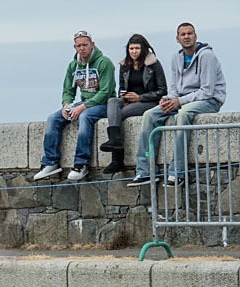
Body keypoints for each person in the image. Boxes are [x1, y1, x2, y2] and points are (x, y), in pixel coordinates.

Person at [128, 22, 226, 187]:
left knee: (182, 114)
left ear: (195, 36)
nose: (187, 37)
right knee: (150, 115)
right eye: (183, 34)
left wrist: (178, 101)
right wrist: (167, 99)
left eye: (190, 33)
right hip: (182, 100)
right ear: (177, 38)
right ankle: (145, 171)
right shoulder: (176, 58)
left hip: (209, 101)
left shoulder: (207, 56)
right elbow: (174, 89)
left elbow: (207, 91)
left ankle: (177, 172)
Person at [34, 30, 116, 182]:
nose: (82, 48)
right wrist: (66, 104)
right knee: (53, 118)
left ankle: (81, 164)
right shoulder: (73, 66)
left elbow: (105, 92)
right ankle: (50, 162)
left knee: (85, 117)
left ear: (92, 45)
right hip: (83, 103)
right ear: (75, 47)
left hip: (105, 104)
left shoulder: (104, 62)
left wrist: (83, 107)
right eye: (79, 46)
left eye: (85, 45)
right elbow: (68, 90)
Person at [99, 34, 167, 175]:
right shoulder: (125, 65)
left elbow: (162, 91)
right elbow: (122, 88)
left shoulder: (153, 64)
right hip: (129, 101)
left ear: (143, 49)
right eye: (131, 49)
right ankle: (114, 140)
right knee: (112, 101)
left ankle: (117, 160)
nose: (134, 51)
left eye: (137, 48)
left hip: (148, 102)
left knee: (119, 115)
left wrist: (139, 97)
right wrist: (124, 97)